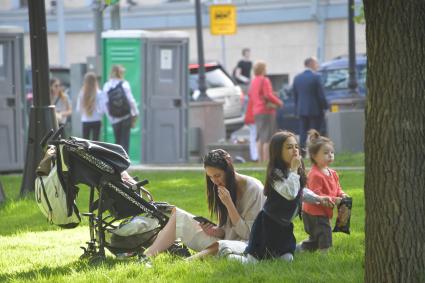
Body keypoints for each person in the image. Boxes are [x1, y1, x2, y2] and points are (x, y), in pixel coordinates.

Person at [226, 131, 333, 263]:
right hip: (267, 225)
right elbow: (290, 193)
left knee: (287, 259)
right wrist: (294, 170)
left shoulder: (296, 171)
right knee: (254, 262)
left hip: (284, 226)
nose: (294, 150)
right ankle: (231, 255)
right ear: (277, 152)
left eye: (296, 146)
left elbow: (300, 192)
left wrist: (318, 199)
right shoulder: (275, 174)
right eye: (289, 147)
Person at [142, 149, 266, 262]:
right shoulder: (221, 187)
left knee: (221, 245)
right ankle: (146, 257)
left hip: (247, 245)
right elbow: (226, 231)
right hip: (226, 240)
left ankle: (187, 263)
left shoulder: (254, 189)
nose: (215, 181)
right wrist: (214, 231)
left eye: (217, 175)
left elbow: (249, 234)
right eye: (210, 177)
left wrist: (229, 205)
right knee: (178, 216)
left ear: (229, 170)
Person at [298, 129, 348, 252]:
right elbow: (316, 195)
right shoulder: (315, 175)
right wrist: (333, 200)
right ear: (314, 156)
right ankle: (325, 255)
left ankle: (300, 249)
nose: (330, 155)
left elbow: (337, 188)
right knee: (325, 234)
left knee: (315, 240)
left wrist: (341, 194)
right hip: (313, 213)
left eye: (332, 152)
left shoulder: (333, 173)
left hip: (323, 212)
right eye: (326, 153)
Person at [292, 57, 328, 155]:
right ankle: (314, 152)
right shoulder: (316, 77)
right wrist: (325, 107)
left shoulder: (297, 78)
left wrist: (296, 110)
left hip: (301, 109)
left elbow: (295, 96)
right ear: (311, 64)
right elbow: (321, 95)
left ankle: (302, 152)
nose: (317, 65)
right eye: (316, 63)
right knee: (315, 131)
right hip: (315, 109)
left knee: (303, 132)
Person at [250, 61, 283, 162]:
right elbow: (268, 95)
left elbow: (254, 95)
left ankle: (260, 161)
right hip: (266, 110)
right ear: (262, 69)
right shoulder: (264, 80)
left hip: (256, 111)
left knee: (260, 137)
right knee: (268, 138)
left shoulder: (253, 81)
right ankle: (266, 161)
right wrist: (279, 102)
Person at [103, 65, 139, 154]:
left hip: (114, 118)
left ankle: (117, 163)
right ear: (121, 73)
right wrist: (135, 113)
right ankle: (125, 162)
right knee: (125, 141)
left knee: (117, 142)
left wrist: (110, 118)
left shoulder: (107, 85)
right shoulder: (124, 84)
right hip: (126, 116)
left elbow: (105, 104)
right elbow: (131, 100)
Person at [76, 72, 104, 141]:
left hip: (85, 120)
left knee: (85, 142)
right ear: (95, 81)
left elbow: (78, 109)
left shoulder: (82, 93)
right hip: (97, 120)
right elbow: (102, 109)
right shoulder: (99, 93)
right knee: (96, 142)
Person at [243, 96, 258, 162]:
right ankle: (255, 156)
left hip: (250, 117)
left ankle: (254, 156)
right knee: (255, 137)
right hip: (254, 117)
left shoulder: (253, 94)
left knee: (253, 137)